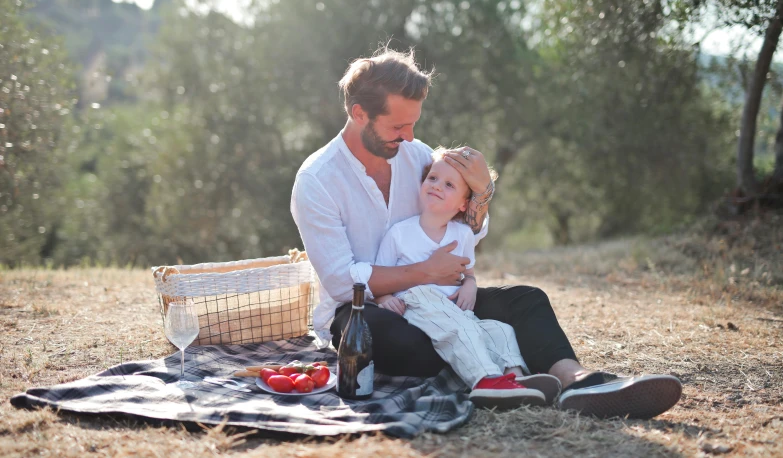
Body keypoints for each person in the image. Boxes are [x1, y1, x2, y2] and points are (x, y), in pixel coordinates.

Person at [290, 47, 682, 418]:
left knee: (527, 301)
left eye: (414, 124)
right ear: (359, 114)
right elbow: (343, 283)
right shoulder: (317, 181)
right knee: (403, 341)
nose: (410, 136)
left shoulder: (417, 155)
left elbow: (468, 231)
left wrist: (482, 193)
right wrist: (425, 271)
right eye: (398, 126)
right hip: (367, 310)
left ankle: (578, 382)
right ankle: (496, 373)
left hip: (441, 300)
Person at [373, 147, 559, 408]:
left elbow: (468, 274)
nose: (437, 186)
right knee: (460, 330)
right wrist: (385, 298)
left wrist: (470, 286)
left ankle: (515, 378)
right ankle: (485, 380)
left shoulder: (462, 235)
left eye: (449, 184)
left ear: (463, 204)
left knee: (498, 329)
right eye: (433, 178)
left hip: (452, 308)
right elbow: (380, 276)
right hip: (417, 303)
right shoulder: (400, 233)